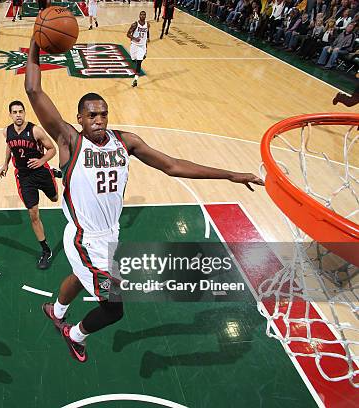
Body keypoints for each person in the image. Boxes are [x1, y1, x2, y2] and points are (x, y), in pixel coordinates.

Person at [24, 37, 264, 362]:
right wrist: (36, 43)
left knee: (84, 276)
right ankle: (74, 333)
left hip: (109, 237)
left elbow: (174, 166)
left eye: (103, 115)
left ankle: (57, 310)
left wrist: (231, 175)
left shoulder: (126, 142)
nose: (99, 120)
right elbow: (34, 92)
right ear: (79, 119)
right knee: (114, 307)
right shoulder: (69, 141)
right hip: (84, 238)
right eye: (91, 115)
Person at [0, 100, 62, 269]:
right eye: (15, 112)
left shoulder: (35, 131)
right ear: (10, 114)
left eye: (21, 111)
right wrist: (5, 163)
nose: (18, 115)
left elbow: (52, 149)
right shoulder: (7, 131)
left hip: (41, 172)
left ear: (25, 113)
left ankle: (53, 173)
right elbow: (10, 147)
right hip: (24, 177)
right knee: (33, 214)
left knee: (55, 198)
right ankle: (45, 250)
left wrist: (42, 161)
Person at [127, 10, 150, 88]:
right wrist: (134, 38)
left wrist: (146, 46)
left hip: (142, 46)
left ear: (145, 16)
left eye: (144, 15)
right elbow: (128, 34)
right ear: (139, 16)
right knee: (133, 59)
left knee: (139, 62)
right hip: (134, 44)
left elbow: (147, 33)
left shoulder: (148, 24)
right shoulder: (135, 24)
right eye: (141, 15)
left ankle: (135, 80)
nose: (143, 16)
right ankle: (136, 61)